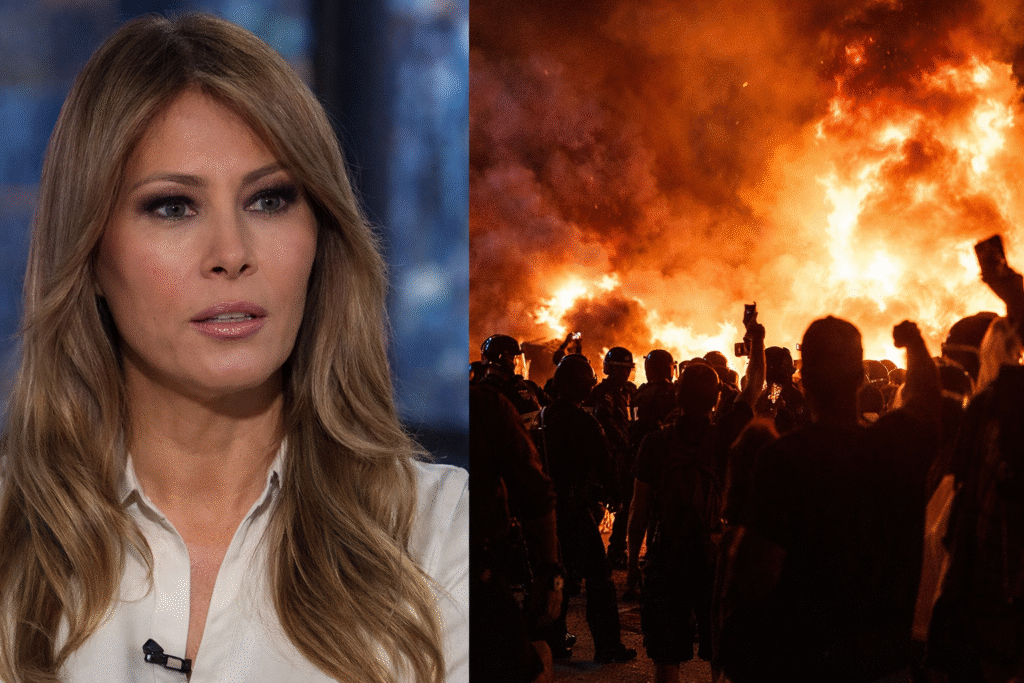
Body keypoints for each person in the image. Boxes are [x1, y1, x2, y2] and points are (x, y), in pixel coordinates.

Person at [0, 14, 466, 683]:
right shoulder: (11, 545)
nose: (231, 254)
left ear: (320, 236)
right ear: (92, 254)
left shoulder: (444, 538)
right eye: (172, 207)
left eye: (270, 199)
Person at [719, 317, 939, 683]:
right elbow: (926, 403)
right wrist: (915, 344)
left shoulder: (784, 457)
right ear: (859, 378)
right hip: (882, 658)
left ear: (804, 378)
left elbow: (756, 572)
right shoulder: (895, 449)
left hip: (806, 659)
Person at [626, 322, 764, 683]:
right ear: (718, 398)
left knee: (666, 656)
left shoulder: (655, 444)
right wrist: (757, 340)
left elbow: (638, 512)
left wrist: (630, 563)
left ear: (677, 396)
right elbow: (752, 388)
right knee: (722, 648)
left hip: (666, 554)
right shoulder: (726, 436)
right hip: (714, 557)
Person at [542, 354, 636, 664]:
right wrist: (614, 493)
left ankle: (553, 642)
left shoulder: (543, 416)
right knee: (599, 575)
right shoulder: (584, 421)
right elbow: (603, 461)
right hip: (574, 508)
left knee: (557, 574)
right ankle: (608, 646)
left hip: (546, 509)